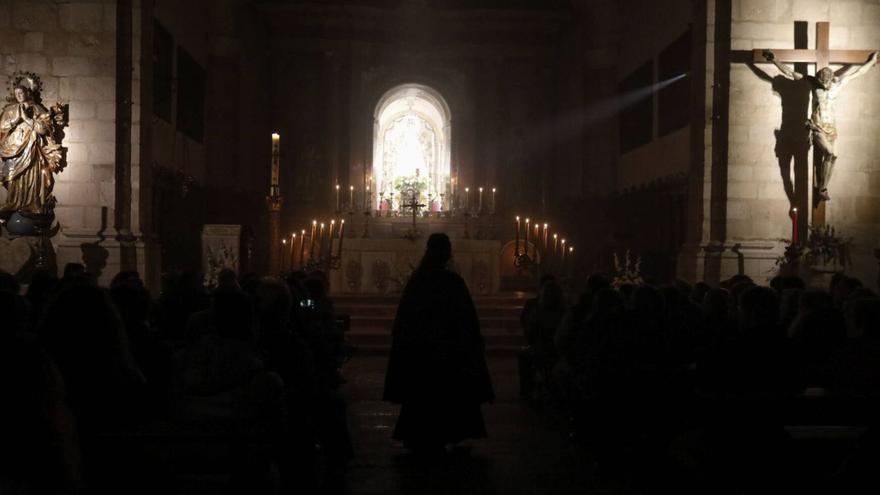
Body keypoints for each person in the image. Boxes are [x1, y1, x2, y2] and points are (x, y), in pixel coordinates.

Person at [383, 233, 494, 453]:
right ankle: (451, 431)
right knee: (448, 392)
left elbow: (405, 317)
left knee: (423, 394)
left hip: (423, 349)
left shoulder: (418, 280)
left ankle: (419, 432)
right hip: (448, 348)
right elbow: (466, 318)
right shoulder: (452, 282)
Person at [763, 50, 878, 201]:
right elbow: (790, 72)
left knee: (834, 156)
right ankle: (821, 189)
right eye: (821, 83)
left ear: (831, 80)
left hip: (832, 128)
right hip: (817, 126)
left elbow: (859, 71)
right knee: (829, 153)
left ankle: (823, 188)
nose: (823, 86)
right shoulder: (812, 82)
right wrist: (775, 60)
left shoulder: (840, 83)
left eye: (826, 84)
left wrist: (872, 61)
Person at [0, 76, 63, 219]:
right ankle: (12, 202)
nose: (19, 96)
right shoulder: (9, 110)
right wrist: (16, 120)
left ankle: (31, 203)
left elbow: (44, 129)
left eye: (21, 93)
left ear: (28, 93)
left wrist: (28, 120)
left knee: (31, 176)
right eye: (16, 94)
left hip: (30, 149)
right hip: (13, 150)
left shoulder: (37, 109)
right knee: (11, 178)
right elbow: (2, 128)